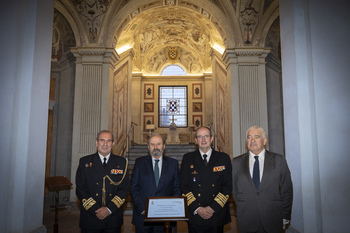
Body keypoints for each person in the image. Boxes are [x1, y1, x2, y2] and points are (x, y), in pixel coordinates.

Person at [232, 125, 293, 233]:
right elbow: (234, 189)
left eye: (256, 137)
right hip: (246, 218)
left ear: (264, 141)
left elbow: (287, 189)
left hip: (272, 218)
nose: (252, 140)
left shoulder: (279, 160)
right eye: (249, 137)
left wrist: (285, 215)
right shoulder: (236, 162)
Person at [180, 126, 232, 233]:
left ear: (212, 138)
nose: (203, 140)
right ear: (195, 140)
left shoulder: (223, 158)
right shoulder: (188, 158)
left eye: (206, 136)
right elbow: (183, 185)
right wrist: (197, 209)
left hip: (216, 213)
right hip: (195, 214)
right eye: (200, 137)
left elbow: (227, 186)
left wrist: (213, 208)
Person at [76, 130, 129, 233]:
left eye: (109, 141)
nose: (105, 144)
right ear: (96, 143)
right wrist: (96, 210)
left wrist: (108, 209)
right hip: (90, 217)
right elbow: (80, 189)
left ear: (113, 144)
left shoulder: (122, 163)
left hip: (112, 218)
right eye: (102, 140)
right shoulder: (85, 162)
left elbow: (123, 190)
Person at [130, 133, 181, 233]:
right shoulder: (139, 163)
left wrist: (170, 209)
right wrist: (142, 209)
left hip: (166, 218)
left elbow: (177, 188)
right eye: (152, 144)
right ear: (148, 147)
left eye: (158, 144)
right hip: (142, 217)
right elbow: (133, 188)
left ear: (164, 146)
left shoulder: (173, 163)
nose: (155, 147)